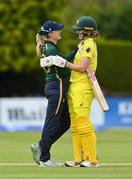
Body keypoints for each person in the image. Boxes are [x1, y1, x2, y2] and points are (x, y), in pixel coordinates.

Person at [42, 16, 100, 167]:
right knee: (74, 124)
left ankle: (92, 159)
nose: (77, 32)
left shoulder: (89, 44)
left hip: (83, 87)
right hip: (74, 86)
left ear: (87, 31)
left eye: (80, 30)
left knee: (83, 122)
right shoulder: (81, 44)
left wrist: (65, 63)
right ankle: (78, 159)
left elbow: (82, 67)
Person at [31, 20, 77, 167]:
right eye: (57, 30)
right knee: (52, 122)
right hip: (57, 87)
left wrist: (77, 50)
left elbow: (63, 61)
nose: (60, 32)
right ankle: (44, 158)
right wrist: (75, 66)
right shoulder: (50, 49)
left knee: (65, 121)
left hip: (54, 87)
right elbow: (63, 69)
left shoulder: (50, 47)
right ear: (51, 34)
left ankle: (41, 145)